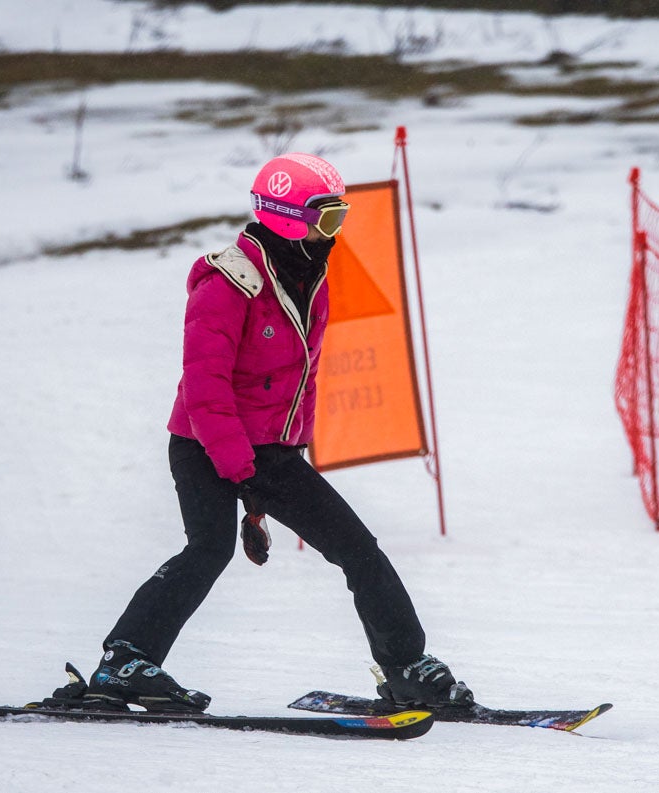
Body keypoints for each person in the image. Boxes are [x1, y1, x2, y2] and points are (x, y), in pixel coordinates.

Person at [81, 152, 473, 713]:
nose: (334, 231)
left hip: (269, 452)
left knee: (358, 550)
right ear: (289, 218)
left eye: (340, 216)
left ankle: (407, 668)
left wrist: (273, 474)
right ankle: (125, 662)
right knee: (207, 550)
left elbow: (299, 377)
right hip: (205, 445)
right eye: (328, 217)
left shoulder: (308, 275)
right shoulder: (227, 283)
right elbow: (205, 387)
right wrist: (243, 475)